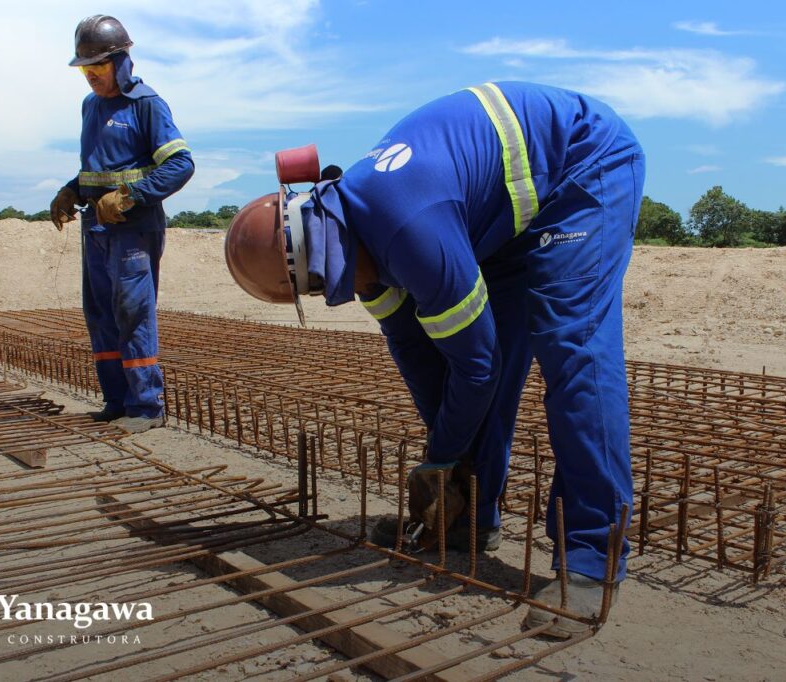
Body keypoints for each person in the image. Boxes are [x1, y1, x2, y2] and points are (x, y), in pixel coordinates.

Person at [225, 82, 644, 637]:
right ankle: (470, 520)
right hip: (500, 222)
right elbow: (420, 357)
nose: (340, 294)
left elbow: (476, 366)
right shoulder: (357, 240)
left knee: (572, 350)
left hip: (581, 167)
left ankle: (593, 556)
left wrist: (441, 457)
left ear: (322, 258)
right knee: (477, 375)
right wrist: (440, 462)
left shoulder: (408, 229)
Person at [49, 15, 194, 433]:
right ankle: (116, 400)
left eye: (98, 66)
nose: (91, 76)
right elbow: (98, 170)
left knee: (133, 312)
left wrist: (131, 196)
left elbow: (181, 165)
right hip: (94, 228)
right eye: (84, 69)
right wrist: (71, 190)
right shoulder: (90, 106)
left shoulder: (147, 105)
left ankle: (146, 407)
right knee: (99, 313)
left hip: (133, 227)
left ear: (122, 61)